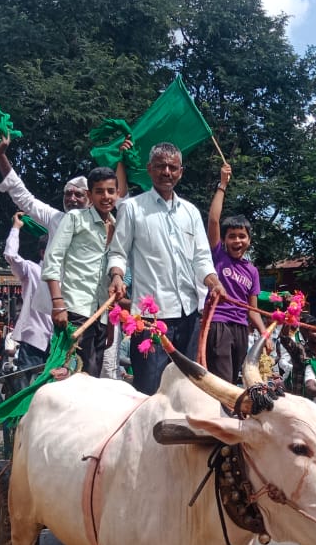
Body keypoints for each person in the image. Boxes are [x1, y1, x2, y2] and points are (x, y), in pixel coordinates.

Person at [106, 142, 225, 395]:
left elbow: (202, 258)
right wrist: (116, 275)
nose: (167, 172)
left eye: (172, 167)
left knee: (187, 390)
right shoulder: (133, 208)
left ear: (181, 172)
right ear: (150, 170)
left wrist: (213, 280)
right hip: (150, 319)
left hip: (189, 316)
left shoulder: (191, 212)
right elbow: (117, 252)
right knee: (150, 391)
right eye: (161, 167)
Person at [43, 166, 119, 379]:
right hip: (75, 310)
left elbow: (114, 272)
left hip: (101, 315)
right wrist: (58, 303)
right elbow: (53, 259)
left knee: (93, 377)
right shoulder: (76, 218)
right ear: (90, 195)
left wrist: (111, 323)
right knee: (69, 377)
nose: (106, 197)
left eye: (110, 191)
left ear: (117, 194)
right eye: (99, 191)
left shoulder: (117, 226)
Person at [203, 162, 266, 383]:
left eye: (242, 236)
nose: (237, 240)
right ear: (224, 239)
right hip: (218, 324)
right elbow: (213, 220)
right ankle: (223, 416)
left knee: (233, 378)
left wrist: (264, 333)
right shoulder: (218, 254)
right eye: (232, 236)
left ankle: (226, 414)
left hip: (241, 329)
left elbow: (253, 310)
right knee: (221, 379)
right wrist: (222, 184)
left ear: (249, 240)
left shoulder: (252, 271)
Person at [2, 213, 53, 388]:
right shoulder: (31, 270)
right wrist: (16, 228)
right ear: (43, 252)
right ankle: (21, 415)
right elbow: (10, 255)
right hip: (34, 339)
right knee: (26, 387)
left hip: (58, 342)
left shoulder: (67, 276)